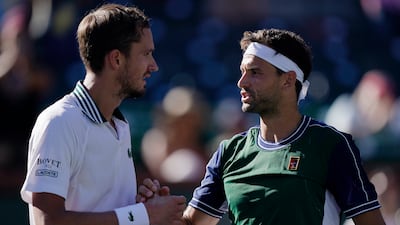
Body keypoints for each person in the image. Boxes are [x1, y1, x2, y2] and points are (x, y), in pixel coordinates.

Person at [137, 28, 386, 225]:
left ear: (288, 80)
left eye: (255, 72)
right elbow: (192, 223)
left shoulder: (331, 145)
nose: (241, 82)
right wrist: (159, 213)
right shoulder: (229, 152)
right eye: (242, 72)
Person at [20, 3, 186, 225]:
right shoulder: (59, 122)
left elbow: (114, 216)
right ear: (116, 59)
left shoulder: (120, 125)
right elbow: (47, 221)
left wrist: (142, 207)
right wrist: (141, 215)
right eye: (146, 54)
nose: (153, 65)